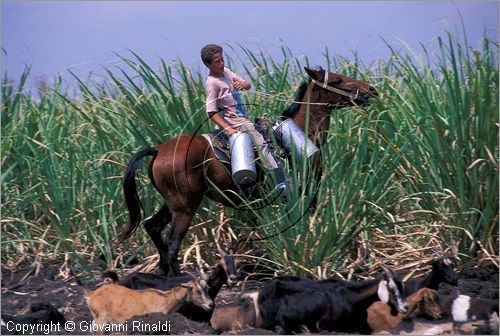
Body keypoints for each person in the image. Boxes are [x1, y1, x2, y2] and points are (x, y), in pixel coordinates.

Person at [201, 44, 286, 190]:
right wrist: (228, 129)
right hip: (236, 122)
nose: (221, 64)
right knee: (260, 142)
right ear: (208, 64)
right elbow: (211, 112)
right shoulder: (212, 83)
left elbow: (248, 85)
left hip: (244, 117)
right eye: (217, 62)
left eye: (222, 60)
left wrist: (243, 84)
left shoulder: (226, 72)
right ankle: (279, 179)